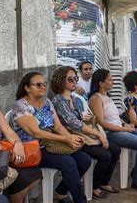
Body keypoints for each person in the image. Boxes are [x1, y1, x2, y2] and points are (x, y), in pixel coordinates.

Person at [11, 72, 91, 203]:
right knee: (68, 163)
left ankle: (61, 191)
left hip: (52, 144)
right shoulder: (20, 106)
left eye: (44, 84)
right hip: (33, 148)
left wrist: (70, 138)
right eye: (38, 85)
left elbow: (58, 127)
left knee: (85, 160)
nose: (43, 87)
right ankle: (80, 200)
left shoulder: (46, 102)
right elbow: (36, 133)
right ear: (27, 88)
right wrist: (65, 139)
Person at [51, 66, 120, 199]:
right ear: (60, 81)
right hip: (72, 137)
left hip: (85, 134)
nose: (74, 81)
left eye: (75, 78)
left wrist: (87, 117)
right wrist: (99, 134)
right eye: (70, 79)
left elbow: (81, 119)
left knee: (115, 149)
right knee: (105, 156)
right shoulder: (58, 100)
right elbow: (72, 122)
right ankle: (94, 186)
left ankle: (103, 183)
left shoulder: (75, 98)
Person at [88, 69, 137, 192]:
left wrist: (126, 124)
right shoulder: (96, 98)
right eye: (110, 80)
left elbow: (115, 117)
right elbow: (102, 123)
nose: (112, 82)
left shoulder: (107, 96)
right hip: (111, 133)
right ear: (101, 83)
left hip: (120, 128)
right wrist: (122, 128)